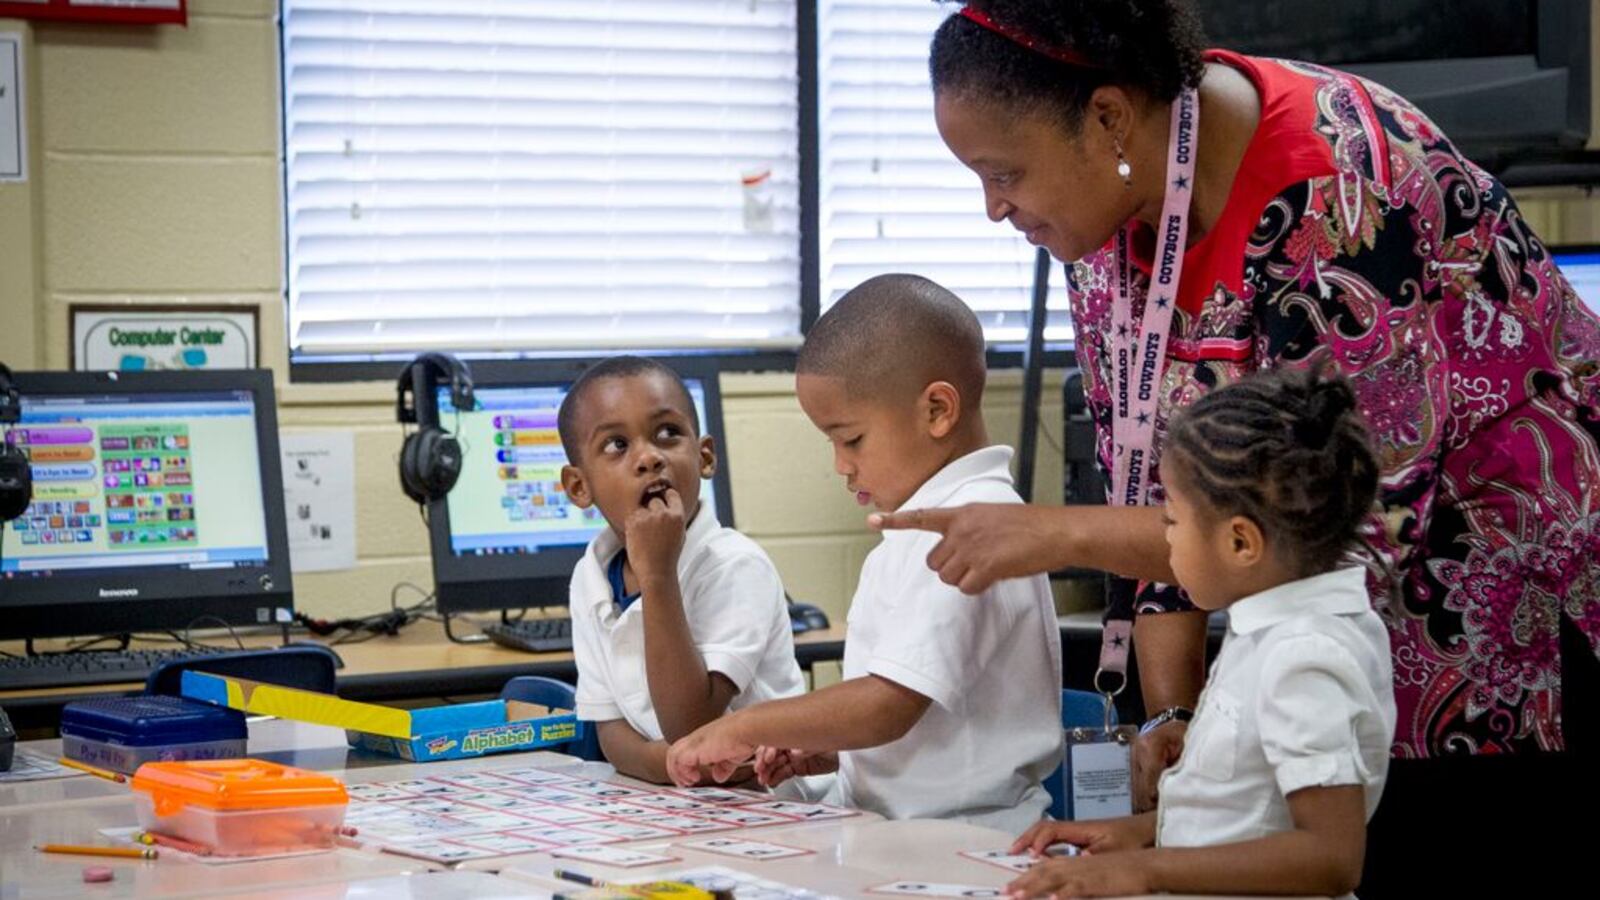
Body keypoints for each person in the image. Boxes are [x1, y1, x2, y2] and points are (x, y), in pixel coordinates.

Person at [873, 0, 1600, 891]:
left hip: (1503, 611)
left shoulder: (1347, 186)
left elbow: (1337, 530)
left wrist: (1056, 534)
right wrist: (1172, 711)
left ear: (1106, 118)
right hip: (1309, 633)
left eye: (1005, 173)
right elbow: (1150, 470)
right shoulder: (1110, 212)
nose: (995, 209)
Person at [666, 275, 1062, 834]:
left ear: (937, 411)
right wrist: (837, 751)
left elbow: (887, 704)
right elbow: (939, 716)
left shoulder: (968, 527)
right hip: (910, 830)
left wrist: (745, 726)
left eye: (851, 439)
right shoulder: (929, 521)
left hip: (966, 841)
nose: (841, 465)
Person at [1005, 368, 1394, 900]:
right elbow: (1239, 814)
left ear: (1241, 543)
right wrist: (1136, 836)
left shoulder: (1305, 656)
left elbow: (1330, 856)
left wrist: (1147, 871)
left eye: (1171, 520)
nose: (1165, 540)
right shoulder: (1270, 624)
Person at [558, 356, 805, 783]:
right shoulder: (590, 576)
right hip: (673, 796)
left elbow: (692, 728)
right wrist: (672, 768)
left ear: (705, 456)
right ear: (579, 487)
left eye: (668, 434)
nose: (649, 457)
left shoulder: (736, 566)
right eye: (617, 445)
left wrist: (657, 576)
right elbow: (611, 731)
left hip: (763, 803)